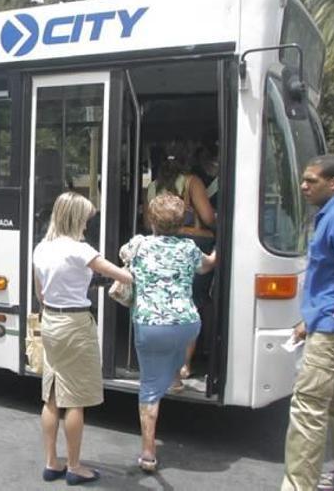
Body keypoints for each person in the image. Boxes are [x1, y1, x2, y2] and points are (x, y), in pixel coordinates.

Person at [32, 191, 132, 486]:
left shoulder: (41, 248)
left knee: (51, 395)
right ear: (76, 219)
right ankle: (75, 466)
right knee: (75, 400)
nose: (88, 226)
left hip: (50, 320)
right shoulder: (80, 250)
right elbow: (124, 277)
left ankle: (52, 462)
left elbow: (41, 293)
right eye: (87, 219)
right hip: (75, 324)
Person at [123, 193, 216, 473]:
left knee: (149, 389)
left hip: (151, 323)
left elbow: (123, 257)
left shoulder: (138, 244)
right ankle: (176, 377)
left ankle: (149, 453)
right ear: (183, 221)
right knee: (176, 348)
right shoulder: (189, 247)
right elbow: (208, 264)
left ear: (151, 219)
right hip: (188, 322)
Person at [281, 154, 334, 491]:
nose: (303, 186)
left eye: (311, 180)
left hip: (331, 330)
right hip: (325, 321)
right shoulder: (328, 214)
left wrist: (325, 317)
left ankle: (297, 486)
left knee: (309, 407)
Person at [144, 144, 216, 380]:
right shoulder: (192, 181)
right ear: (188, 161)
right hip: (193, 241)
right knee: (191, 303)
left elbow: (147, 224)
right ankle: (184, 364)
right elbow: (206, 217)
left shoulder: (153, 186)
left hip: (160, 243)